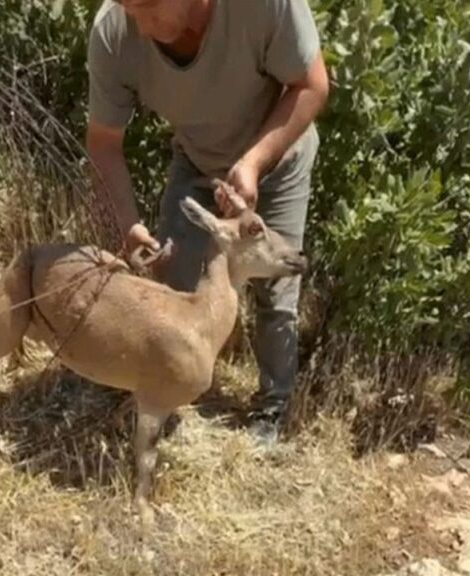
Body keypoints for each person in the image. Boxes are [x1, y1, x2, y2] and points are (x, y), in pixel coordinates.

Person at [85, 0, 329, 445]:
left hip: (278, 160)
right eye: (128, 8)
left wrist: (253, 163)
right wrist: (127, 226)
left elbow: (311, 86)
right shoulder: (115, 28)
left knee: (275, 292)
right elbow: (103, 143)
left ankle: (270, 412)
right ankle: (166, 392)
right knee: (174, 283)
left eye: (148, 7)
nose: (138, 25)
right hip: (197, 161)